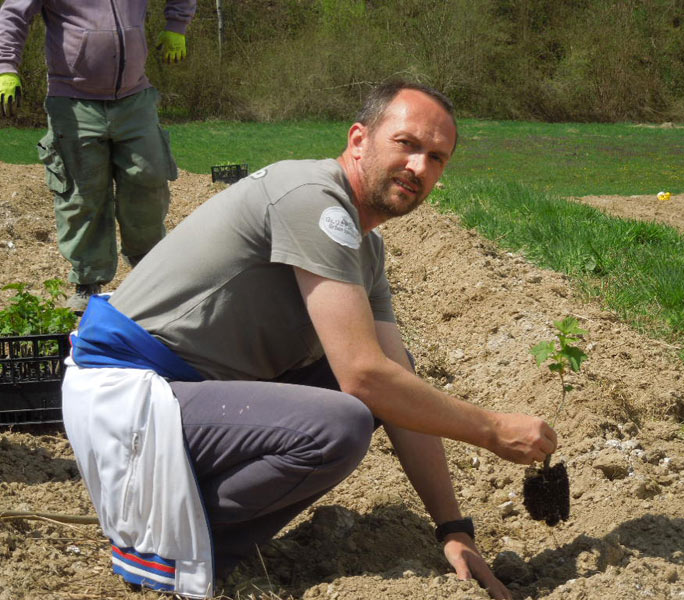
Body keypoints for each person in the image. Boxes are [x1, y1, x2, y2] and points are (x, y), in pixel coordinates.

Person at [60, 81, 558, 600]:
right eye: (407, 144)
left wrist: (453, 529)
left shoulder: (366, 249)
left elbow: (394, 377)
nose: (419, 168)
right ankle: (168, 540)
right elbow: (363, 377)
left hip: (189, 394)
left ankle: (189, 530)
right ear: (359, 139)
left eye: (436, 157)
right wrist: (491, 430)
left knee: (393, 376)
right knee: (339, 424)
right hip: (128, 391)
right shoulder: (314, 200)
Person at [0, 0, 196, 312]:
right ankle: (88, 281)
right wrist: (6, 67)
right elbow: (14, 13)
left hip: (135, 99)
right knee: (81, 195)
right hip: (73, 101)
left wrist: (177, 26)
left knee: (149, 181)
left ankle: (148, 268)